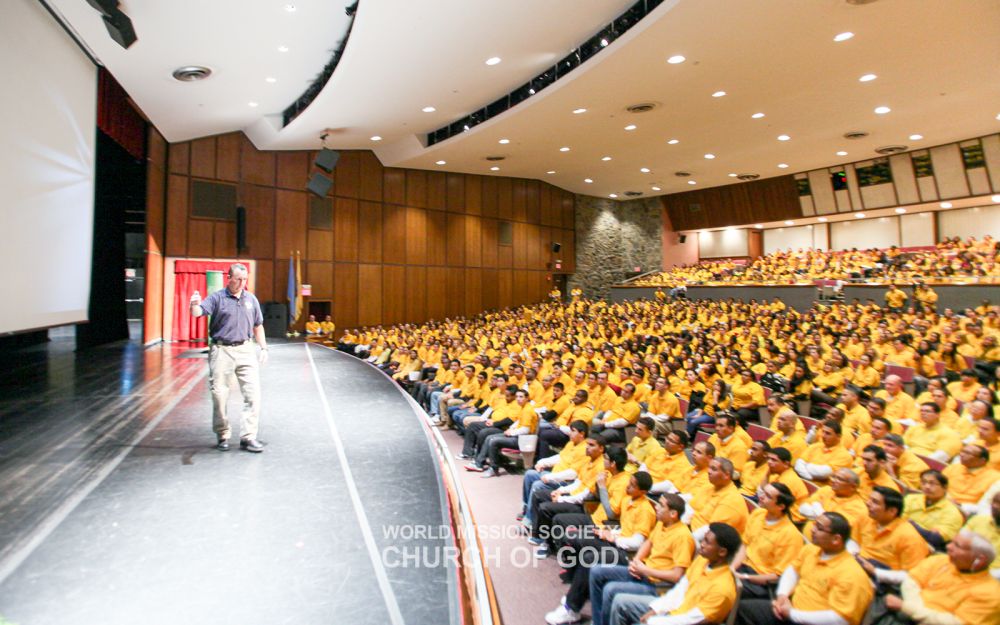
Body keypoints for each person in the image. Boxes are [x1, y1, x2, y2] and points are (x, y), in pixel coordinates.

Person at [735, 512, 873, 625]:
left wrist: (792, 614)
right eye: (814, 525)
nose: (812, 529)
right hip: (790, 609)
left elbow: (840, 619)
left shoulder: (852, 574)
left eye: (819, 528)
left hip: (810, 620)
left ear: (836, 539)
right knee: (742, 609)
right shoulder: (811, 550)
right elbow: (792, 571)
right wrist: (782, 596)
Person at [189, 263, 267, 453]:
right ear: (229, 278)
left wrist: (263, 347)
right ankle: (223, 434)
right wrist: (194, 305)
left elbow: (258, 325)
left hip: (246, 350)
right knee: (219, 394)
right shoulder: (217, 298)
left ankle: (248, 437)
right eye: (238, 279)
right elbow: (199, 313)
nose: (242, 283)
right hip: (221, 350)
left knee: (253, 394)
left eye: (245, 279)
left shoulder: (251, 299)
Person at [587, 493, 695, 625]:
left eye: (661, 506)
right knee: (597, 571)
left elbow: (676, 575)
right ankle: (599, 622)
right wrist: (635, 562)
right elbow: (648, 543)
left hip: (656, 585)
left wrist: (645, 570)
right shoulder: (662, 524)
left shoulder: (683, 536)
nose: (656, 507)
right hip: (642, 572)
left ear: (673, 513)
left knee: (610, 589)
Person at [609, 523, 742, 625]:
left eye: (707, 542)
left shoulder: (723, 588)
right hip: (674, 610)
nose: (701, 544)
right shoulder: (703, 560)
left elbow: (691, 620)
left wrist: (656, 621)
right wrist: (656, 609)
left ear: (722, 552)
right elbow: (681, 589)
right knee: (620, 601)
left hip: (680, 621)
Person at [874, 529, 1000, 625]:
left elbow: (955, 623)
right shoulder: (941, 560)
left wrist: (908, 608)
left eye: (957, 546)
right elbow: (911, 581)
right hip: (907, 611)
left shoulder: (990, 593)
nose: (948, 547)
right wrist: (914, 610)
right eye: (951, 542)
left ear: (980, 560)